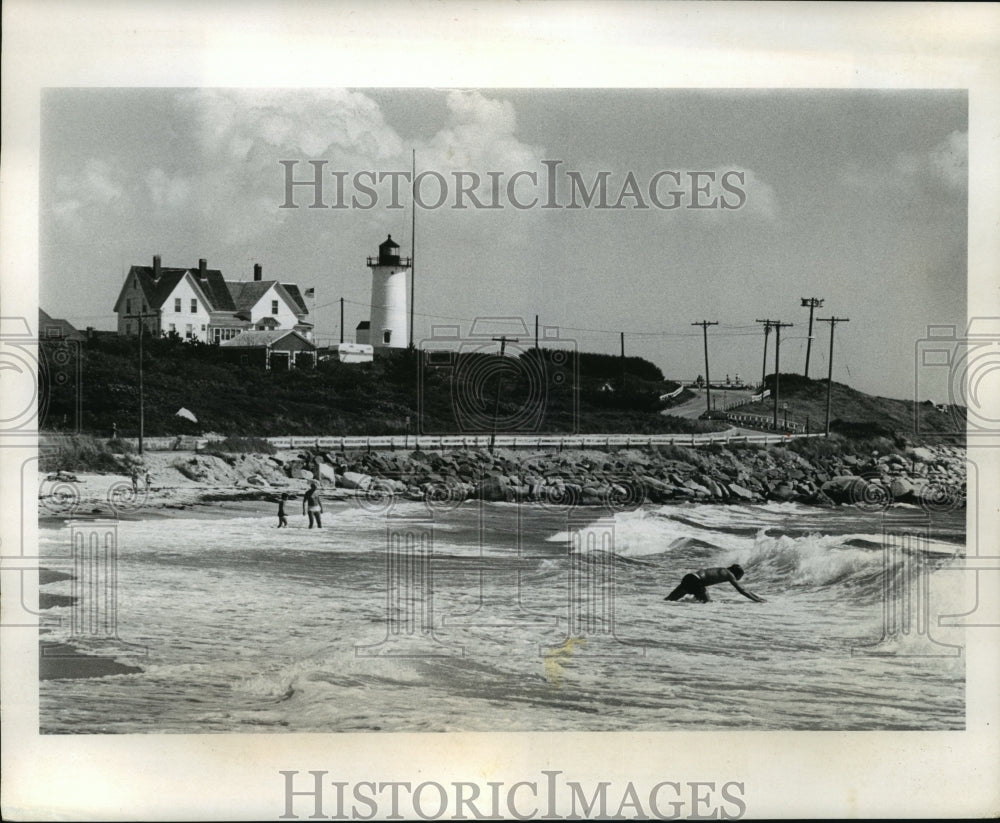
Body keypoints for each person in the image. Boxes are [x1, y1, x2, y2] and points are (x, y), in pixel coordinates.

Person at [665, 564, 765, 603]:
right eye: (739, 576)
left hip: (689, 578)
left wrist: (757, 597)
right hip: (696, 581)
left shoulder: (721, 570)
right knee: (707, 603)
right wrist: (758, 600)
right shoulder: (728, 574)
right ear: (736, 573)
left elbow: (744, 590)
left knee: (669, 600)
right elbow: (742, 590)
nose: (738, 579)